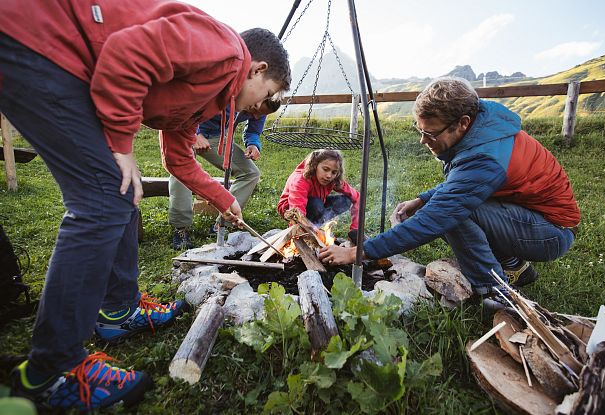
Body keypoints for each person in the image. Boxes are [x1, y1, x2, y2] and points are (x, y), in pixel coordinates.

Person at [0, 0, 290, 410]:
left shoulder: (212, 95)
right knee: (103, 198)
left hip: (58, 59)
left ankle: (117, 311)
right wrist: (121, 143)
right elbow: (126, 52)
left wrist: (224, 199)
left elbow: (178, 157)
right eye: (271, 94)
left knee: (123, 193)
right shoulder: (223, 50)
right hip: (40, 41)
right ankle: (52, 370)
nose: (263, 105)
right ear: (258, 68)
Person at [319, 77, 579, 304]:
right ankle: (512, 266)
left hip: (551, 233)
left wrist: (355, 253)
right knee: (451, 208)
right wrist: (422, 200)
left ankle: (494, 291)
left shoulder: (486, 157)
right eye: (419, 130)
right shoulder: (481, 131)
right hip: (524, 216)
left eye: (430, 133)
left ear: (462, 123)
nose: (423, 140)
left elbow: (442, 212)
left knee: (454, 216)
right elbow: (465, 184)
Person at [170, 98, 281, 250]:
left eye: (261, 114)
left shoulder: (263, 104)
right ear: (256, 97)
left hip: (217, 137)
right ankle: (180, 228)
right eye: (256, 111)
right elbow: (186, 106)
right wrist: (196, 134)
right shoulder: (231, 91)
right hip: (186, 131)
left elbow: (253, 131)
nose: (256, 116)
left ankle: (222, 222)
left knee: (251, 173)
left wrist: (253, 144)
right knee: (180, 170)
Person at [278, 149, 360, 240]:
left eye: (334, 172)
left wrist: (354, 230)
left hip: (316, 204)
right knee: (316, 204)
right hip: (291, 208)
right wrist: (297, 230)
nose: (329, 175)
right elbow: (296, 211)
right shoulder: (300, 179)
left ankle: (314, 225)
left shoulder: (333, 180)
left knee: (346, 201)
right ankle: (306, 230)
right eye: (325, 169)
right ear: (315, 165)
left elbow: (357, 197)